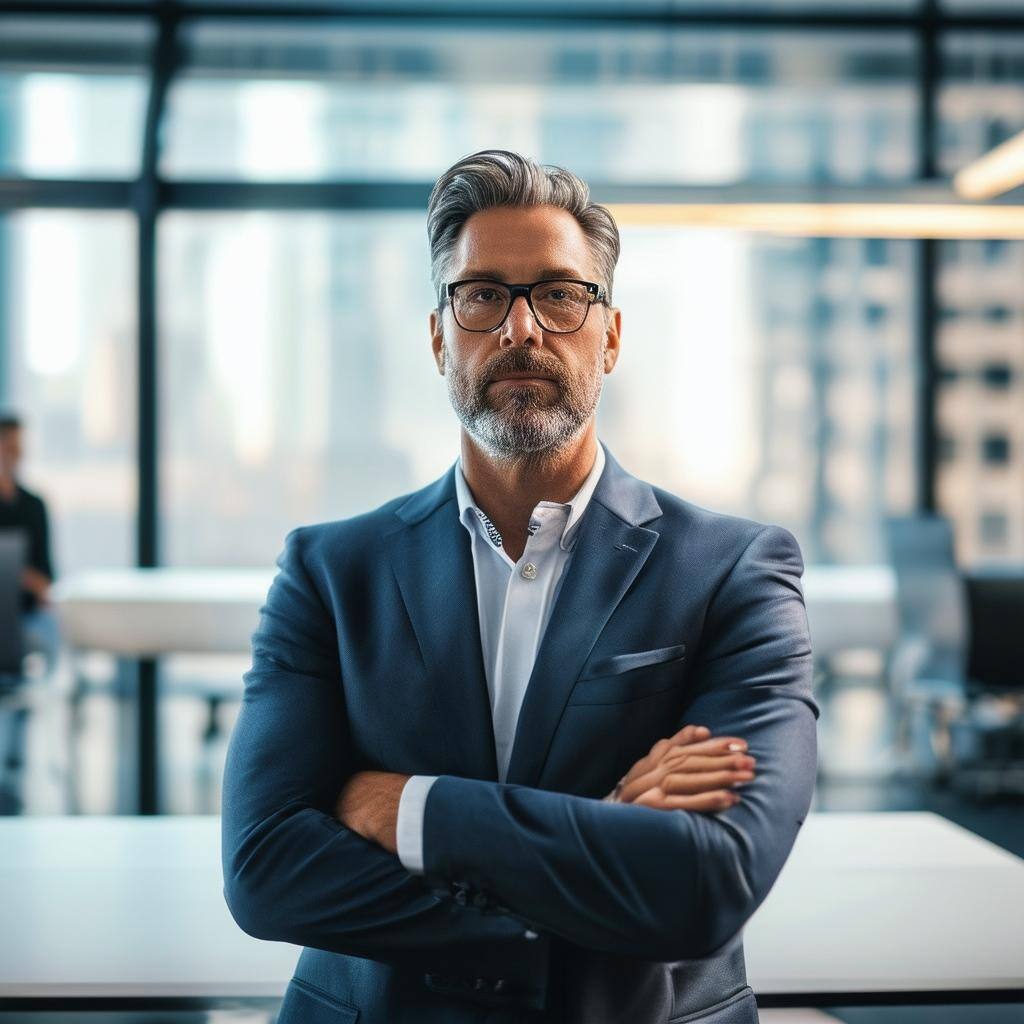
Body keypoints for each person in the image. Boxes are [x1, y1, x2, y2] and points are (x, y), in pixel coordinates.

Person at [221, 150, 819, 1024]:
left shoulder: (733, 569)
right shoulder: (328, 572)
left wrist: (406, 807)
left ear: (609, 335)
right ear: (440, 335)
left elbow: (708, 880)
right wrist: (602, 846)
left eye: (560, 294)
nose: (522, 330)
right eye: (482, 295)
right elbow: (266, 870)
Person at [0, 413, 59, 675]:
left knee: (50, 635)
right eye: (10, 446)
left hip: (27, 615)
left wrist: (18, 575)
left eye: (19, 447)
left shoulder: (34, 506)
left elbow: (46, 579)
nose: (16, 454)